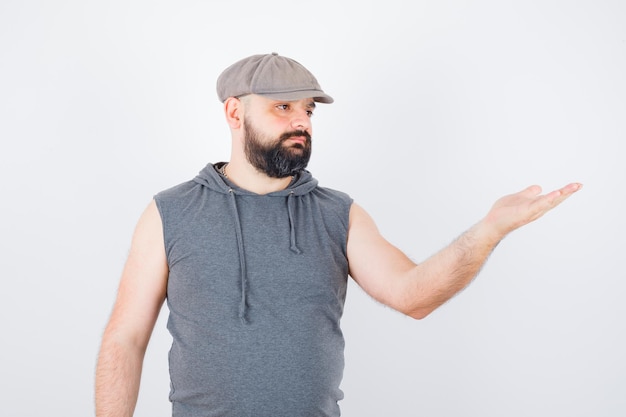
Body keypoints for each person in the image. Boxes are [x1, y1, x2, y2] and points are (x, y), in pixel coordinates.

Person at [94, 52, 581, 417]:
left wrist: (490, 230)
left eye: (308, 110)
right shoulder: (170, 212)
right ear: (234, 113)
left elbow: (414, 296)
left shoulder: (338, 214)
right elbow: (125, 339)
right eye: (282, 107)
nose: (301, 121)